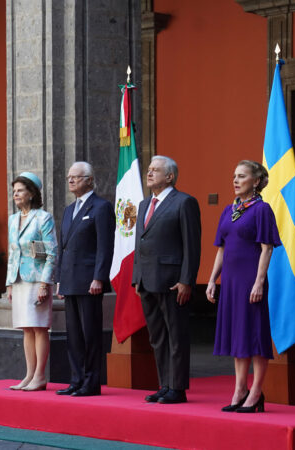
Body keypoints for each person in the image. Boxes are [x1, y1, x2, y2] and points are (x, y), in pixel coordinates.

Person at [206, 160, 281, 413]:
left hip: (251, 280)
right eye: (234, 176)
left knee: (256, 336)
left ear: (256, 181)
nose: (235, 181)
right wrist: (212, 279)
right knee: (238, 335)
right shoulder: (228, 210)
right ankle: (239, 389)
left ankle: (256, 391)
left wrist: (259, 282)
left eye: (242, 176)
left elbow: (267, 249)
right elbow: (221, 249)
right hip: (231, 282)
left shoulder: (262, 210)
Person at [132, 155, 201, 404]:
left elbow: (191, 246)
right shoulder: (144, 204)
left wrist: (187, 281)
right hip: (147, 281)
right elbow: (140, 242)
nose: (149, 173)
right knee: (157, 336)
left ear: (169, 176)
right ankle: (164, 384)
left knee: (176, 336)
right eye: (149, 169)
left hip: (172, 281)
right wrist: (136, 277)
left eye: (155, 170)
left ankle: (178, 387)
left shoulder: (184, 203)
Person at [56, 162, 115, 397]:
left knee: (90, 333)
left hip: (90, 281)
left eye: (76, 177)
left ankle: (91, 382)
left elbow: (105, 246)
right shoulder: (69, 210)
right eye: (69, 177)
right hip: (70, 280)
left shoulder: (101, 207)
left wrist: (99, 277)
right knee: (74, 335)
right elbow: (63, 247)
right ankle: (76, 379)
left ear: (89, 180)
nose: (71, 180)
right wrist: (60, 279)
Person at [6, 172, 58, 391]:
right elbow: (12, 252)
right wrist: (9, 283)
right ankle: (28, 375)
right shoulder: (12, 219)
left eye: (20, 191)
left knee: (39, 328)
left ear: (31, 193)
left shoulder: (42, 218)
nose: (15, 195)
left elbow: (51, 252)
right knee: (26, 328)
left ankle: (40, 376)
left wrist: (45, 284)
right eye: (14, 191)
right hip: (19, 280)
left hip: (37, 281)